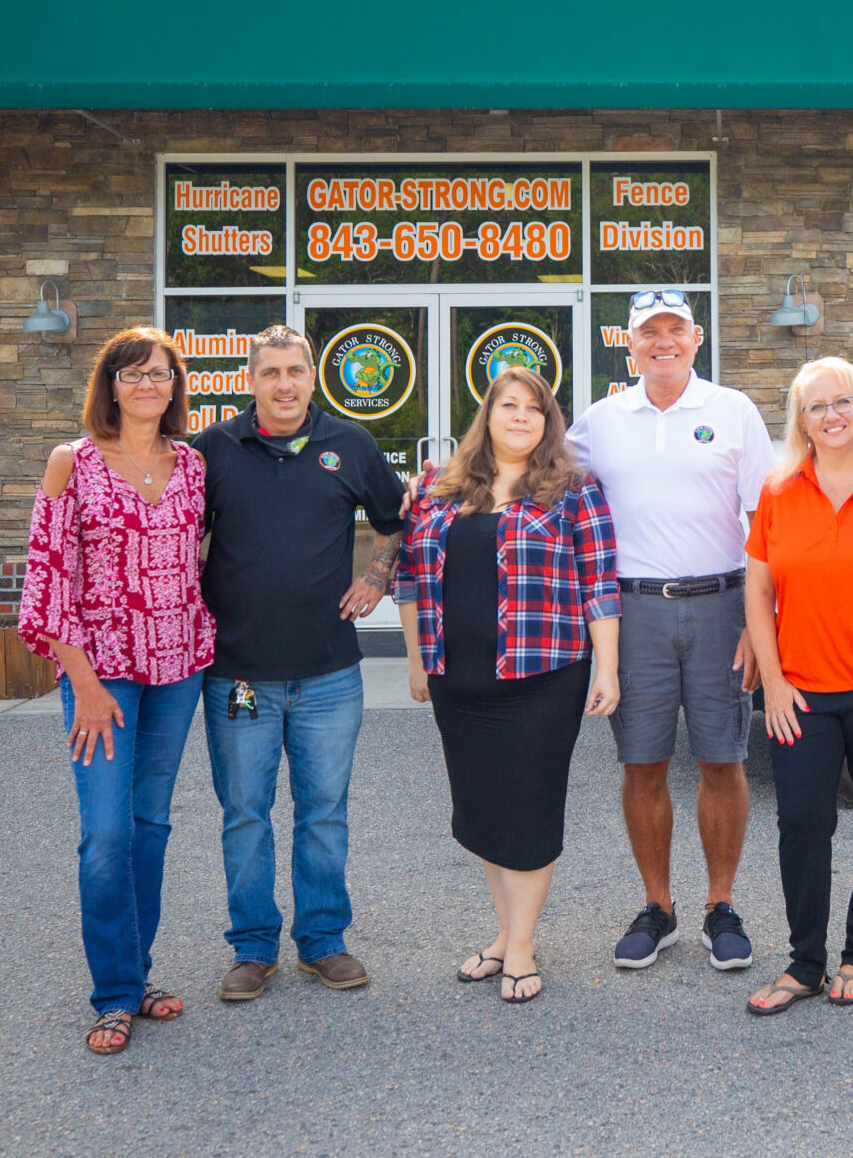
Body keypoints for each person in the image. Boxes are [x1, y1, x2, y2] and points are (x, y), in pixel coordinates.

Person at [191, 325, 407, 1003]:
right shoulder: (213, 450)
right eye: (271, 372)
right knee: (246, 810)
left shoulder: (351, 444)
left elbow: (397, 517)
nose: (284, 383)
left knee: (323, 810)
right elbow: (179, 535)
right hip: (241, 675)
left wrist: (375, 577)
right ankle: (253, 947)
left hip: (328, 674)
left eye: (295, 370)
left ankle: (322, 940)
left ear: (313, 376)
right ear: (249, 380)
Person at [16, 327, 215, 1055]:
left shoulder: (191, 465)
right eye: (132, 373)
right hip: (102, 672)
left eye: (160, 373)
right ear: (110, 384)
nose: (146, 385)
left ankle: (135, 977)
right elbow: (45, 575)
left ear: (174, 387)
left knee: (150, 824)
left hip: (179, 665)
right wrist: (84, 681)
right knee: (106, 834)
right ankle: (112, 994)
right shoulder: (73, 462)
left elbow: (202, 563)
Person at [396, 367, 622, 1005]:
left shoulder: (575, 490)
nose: (521, 417)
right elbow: (411, 581)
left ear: (549, 422)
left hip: (543, 676)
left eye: (535, 409)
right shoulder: (439, 490)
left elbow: (599, 583)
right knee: (483, 806)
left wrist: (606, 668)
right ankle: (505, 934)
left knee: (528, 806)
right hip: (457, 677)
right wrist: (417, 661)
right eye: (509, 406)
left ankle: (521, 945)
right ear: (488, 415)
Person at [565, 289, 774, 973]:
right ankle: (658, 906)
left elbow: (766, 524)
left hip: (720, 605)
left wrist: (757, 620)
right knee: (643, 762)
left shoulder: (732, 411)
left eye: (674, 330)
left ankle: (720, 905)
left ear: (696, 336)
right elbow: (539, 483)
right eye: (648, 332)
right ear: (627, 344)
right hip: (635, 612)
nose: (662, 341)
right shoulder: (600, 421)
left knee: (723, 758)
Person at [740, 358, 853, 1016]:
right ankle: (805, 962)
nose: (832, 415)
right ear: (801, 421)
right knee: (802, 823)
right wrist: (776, 683)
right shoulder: (781, 488)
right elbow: (757, 590)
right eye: (816, 406)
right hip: (803, 693)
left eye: (843, 401)